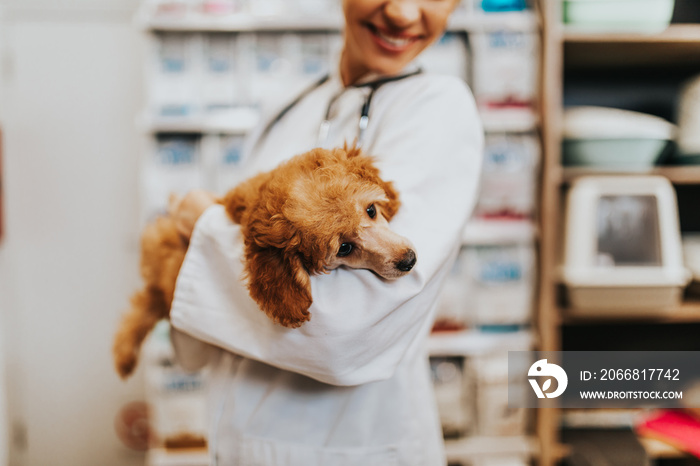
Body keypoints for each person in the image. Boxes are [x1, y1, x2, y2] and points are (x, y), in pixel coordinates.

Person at [168, 0, 484, 464]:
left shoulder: (438, 107)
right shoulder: (290, 103)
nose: (401, 12)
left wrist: (205, 228)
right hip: (238, 437)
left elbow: (351, 325)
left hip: (350, 447)